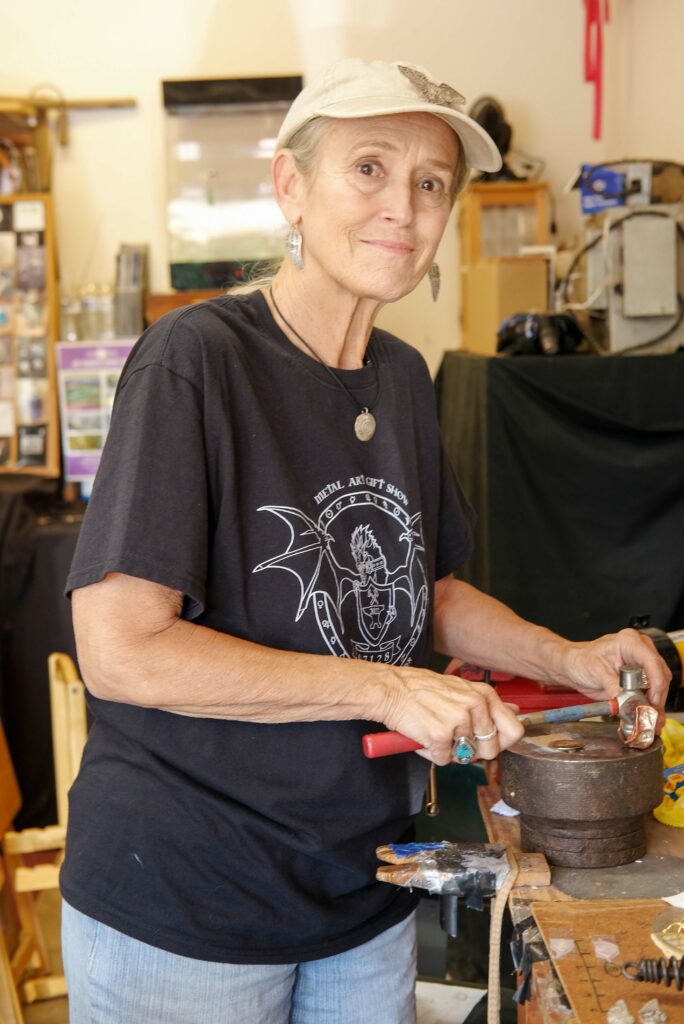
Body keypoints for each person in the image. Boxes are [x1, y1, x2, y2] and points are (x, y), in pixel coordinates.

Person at [61, 58, 670, 1024]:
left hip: (365, 892)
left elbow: (429, 593)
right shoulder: (197, 361)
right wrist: (385, 685)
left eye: (432, 184)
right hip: (192, 905)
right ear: (291, 187)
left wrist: (571, 657)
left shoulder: (401, 376)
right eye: (370, 169)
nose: (403, 206)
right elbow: (120, 648)